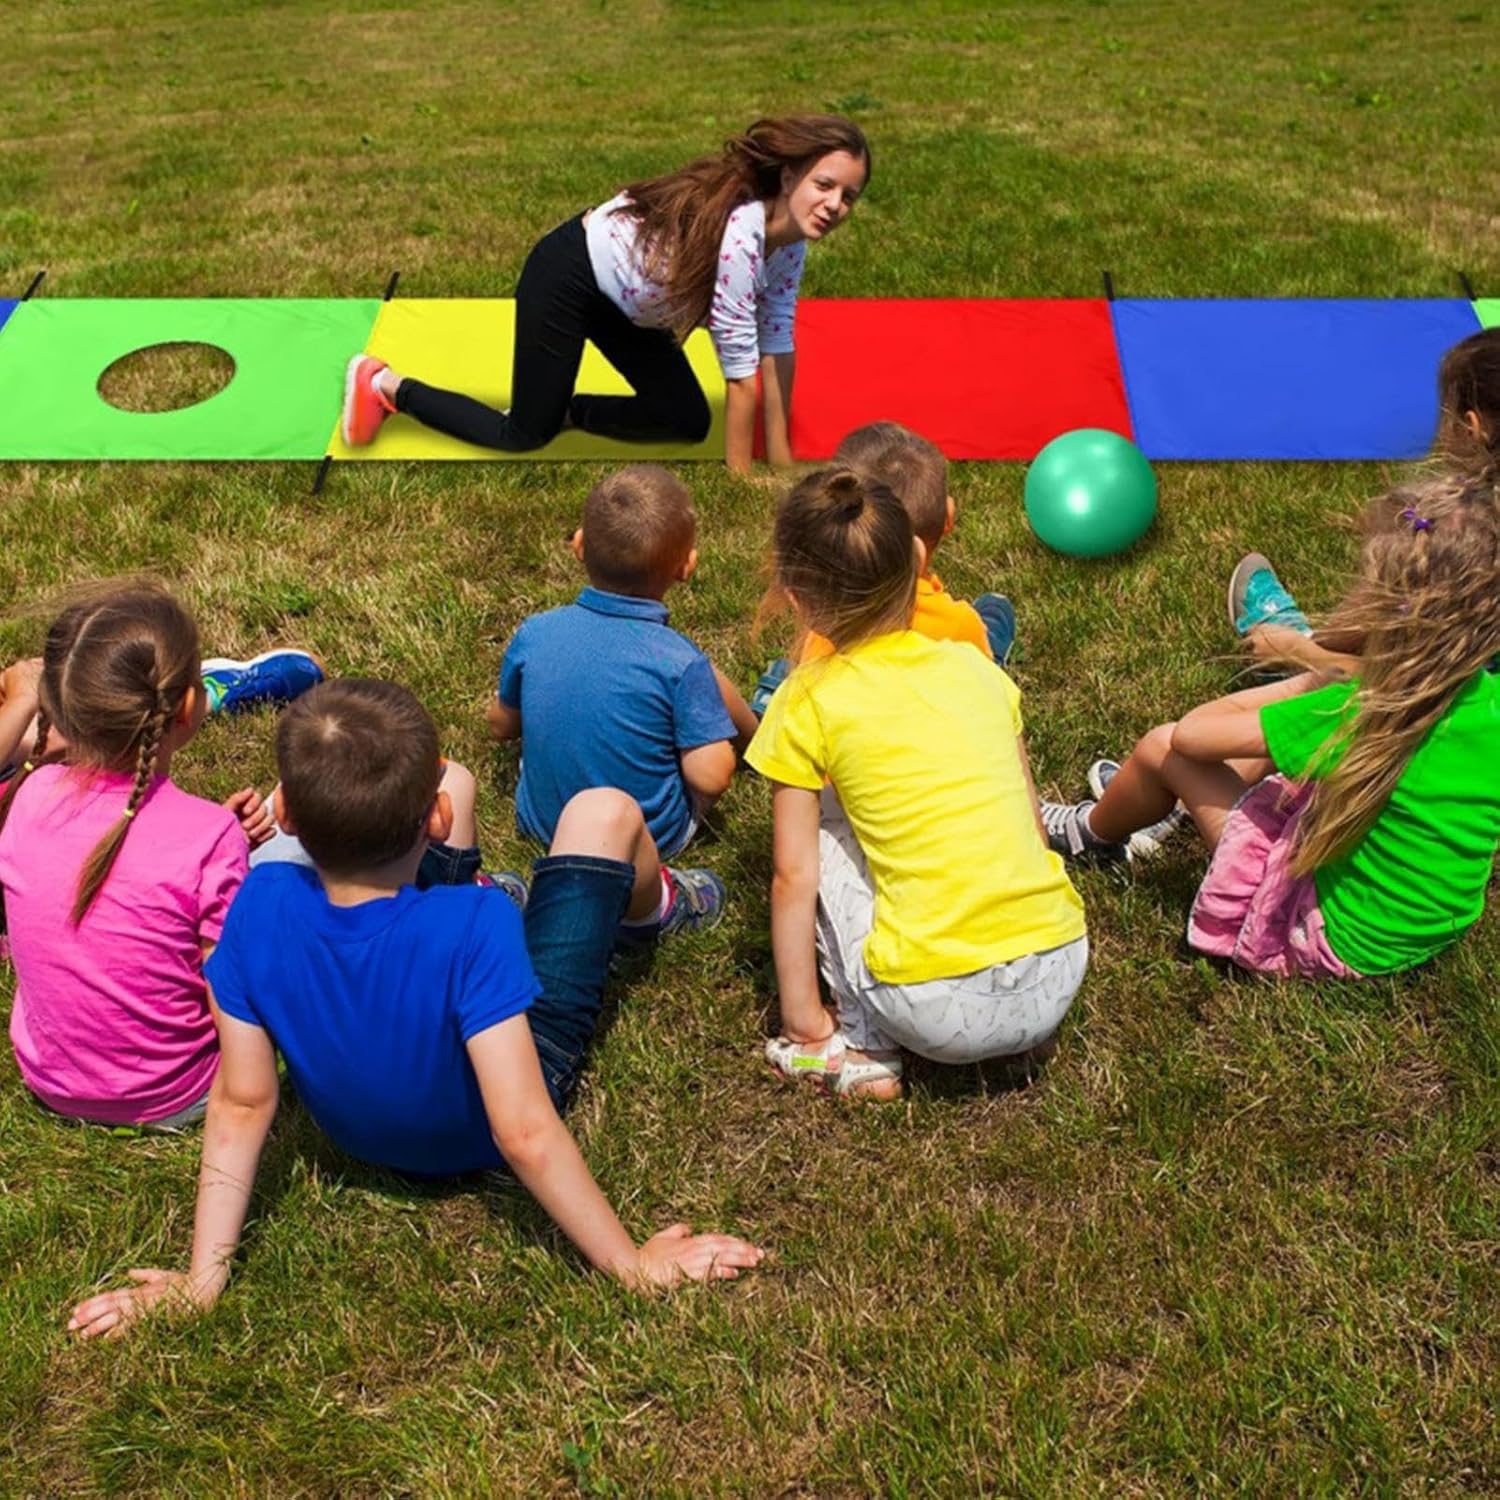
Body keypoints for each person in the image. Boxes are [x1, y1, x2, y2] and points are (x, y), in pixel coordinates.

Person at [67, 679, 763, 1338]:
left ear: (287, 819)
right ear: (435, 819)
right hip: (484, 1118)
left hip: (361, 1136)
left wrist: (201, 1281)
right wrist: (632, 1266)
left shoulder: (255, 904)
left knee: (458, 777)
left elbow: (243, 1102)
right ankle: (655, 910)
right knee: (603, 812)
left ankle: (459, 877)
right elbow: (523, 1129)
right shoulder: (480, 923)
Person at [1041, 469, 1500, 980]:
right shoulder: (1488, 701)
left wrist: (1312, 670)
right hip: (1428, 926)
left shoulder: (1359, 708)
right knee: (1279, 752)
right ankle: (1167, 810)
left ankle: (1091, 836)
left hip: (1328, 937)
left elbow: (1192, 734)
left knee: (1161, 749)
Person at [746, 468, 1088, 1100]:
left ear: (795, 598)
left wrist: (802, 1018)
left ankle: (855, 1049)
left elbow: (793, 878)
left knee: (820, 833)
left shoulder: (806, 698)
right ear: (918, 561)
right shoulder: (977, 669)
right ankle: (1023, 1039)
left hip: (932, 1009)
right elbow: (1033, 824)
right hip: (1059, 971)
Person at [340, 115, 870, 472]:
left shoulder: (790, 243)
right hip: (571, 275)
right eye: (824, 185)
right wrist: (742, 480)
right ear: (788, 177)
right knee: (522, 434)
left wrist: (781, 457)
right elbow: (740, 368)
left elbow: (775, 340)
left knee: (687, 421)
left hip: (629, 309)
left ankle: (565, 411)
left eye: (849, 196)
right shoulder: (742, 233)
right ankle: (386, 385)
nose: (835, 205)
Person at [0, 584, 275, 1129]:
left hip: (52, 1084)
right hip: (178, 1094)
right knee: (297, 853)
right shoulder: (208, 835)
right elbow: (233, 988)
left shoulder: (26, 798)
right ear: (190, 707)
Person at [488, 464, 755, 936]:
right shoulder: (680, 661)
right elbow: (711, 776)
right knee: (705, 683)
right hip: (649, 838)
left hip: (546, 824)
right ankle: (758, 733)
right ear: (687, 566)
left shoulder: (535, 631)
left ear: (578, 545)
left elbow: (501, 725)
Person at [1227, 326, 1500, 681]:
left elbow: (1424, 684)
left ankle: (1302, 652)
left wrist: (1306, 653)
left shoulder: (1464, 534)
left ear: (1471, 428)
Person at [751, 421, 1015, 713]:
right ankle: (993, 648)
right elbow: (981, 700)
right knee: (990, 632)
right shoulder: (960, 625)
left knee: (788, 673)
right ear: (948, 517)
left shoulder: (823, 633)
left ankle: (775, 688)